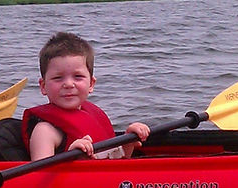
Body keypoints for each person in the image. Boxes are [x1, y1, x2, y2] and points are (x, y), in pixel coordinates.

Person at [22, 32, 150, 160]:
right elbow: (39, 176)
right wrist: (71, 158)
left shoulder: (94, 116)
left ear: (91, 84)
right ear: (43, 86)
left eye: (78, 77)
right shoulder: (44, 132)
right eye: (58, 78)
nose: (68, 84)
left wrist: (128, 141)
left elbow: (115, 161)